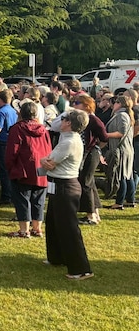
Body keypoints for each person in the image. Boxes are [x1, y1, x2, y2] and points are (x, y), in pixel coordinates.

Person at [40, 109, 93, 280]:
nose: (60, 121)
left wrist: (42, 161)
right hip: (58, 185)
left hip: (66, 186)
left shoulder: (69, 142)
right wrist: (45, 161)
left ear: (69, 123)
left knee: (68, 227)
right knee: (54, 223)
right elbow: (49, 161)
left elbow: (49, 163)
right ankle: (56, 257)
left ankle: (80, 268)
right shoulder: (67, 139)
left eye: (62, 119)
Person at [4, 102, 51, 238]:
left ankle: (24, 230)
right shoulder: (43, 130)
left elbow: (12, 151)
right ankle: (37, 228)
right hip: (40, 167)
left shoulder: (17, 129)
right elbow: (48, 148)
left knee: (22, 198)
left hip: (23, 167)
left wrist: (10, 167)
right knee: (38, 199)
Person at [70, 95, 107, 225]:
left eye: (77, 103)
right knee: (89, 182)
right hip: (86, 152)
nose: (74, 105)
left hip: (91, 153)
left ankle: (90, 216)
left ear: (86, 105)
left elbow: (104, 138)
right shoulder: (81, 118)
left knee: (85, 181)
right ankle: (95, 214)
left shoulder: (93, 119)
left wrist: (95, 148)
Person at [103, 95, 135, 210]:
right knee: (127, 175)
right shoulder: (123, 114)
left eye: (115, 102)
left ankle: (119, 202)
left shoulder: (122, 115)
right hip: (125, 148)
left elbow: (121, 132)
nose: (113, 104)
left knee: (121, 175)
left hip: (121, 149)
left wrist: (106, 135)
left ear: (120, 104)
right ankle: (130, 200)